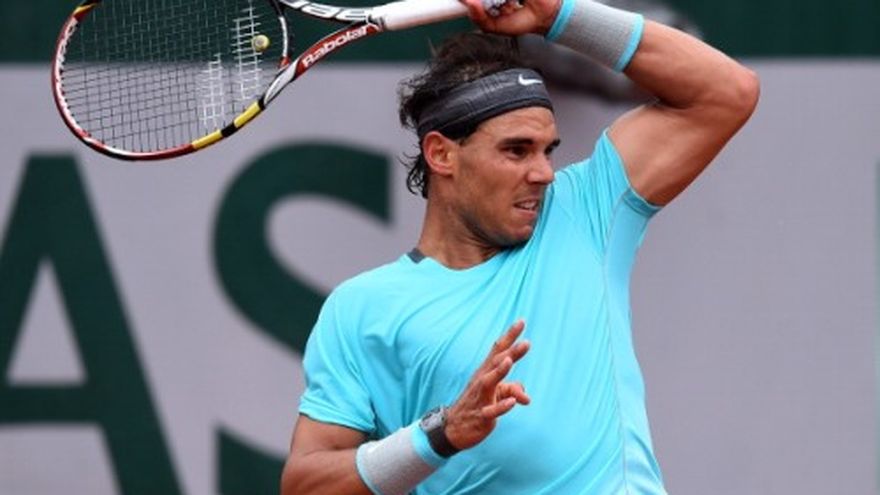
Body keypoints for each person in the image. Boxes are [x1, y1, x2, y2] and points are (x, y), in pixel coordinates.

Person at [280, 0, 759, 492]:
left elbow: (728, 91)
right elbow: (306, 485)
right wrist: (439, 435)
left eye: (547, 150)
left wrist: (558, 15)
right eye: (516, 151)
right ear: (441, 154)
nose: (544, 172)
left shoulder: (585, 210)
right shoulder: (361, 309)